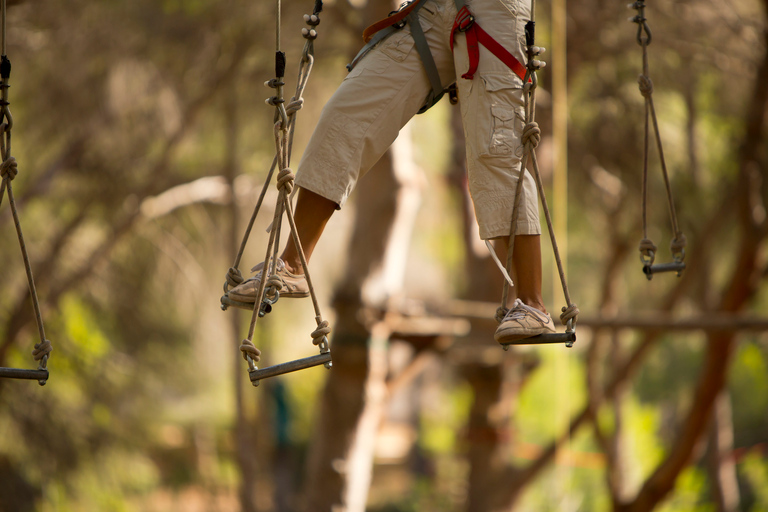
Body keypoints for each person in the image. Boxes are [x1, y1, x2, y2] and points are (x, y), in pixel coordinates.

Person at [228, 0, 556, 342]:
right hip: (434, 7)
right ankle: (293, 266)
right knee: (346, 115)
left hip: (496, 10)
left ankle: (533, 306)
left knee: (497, 150)